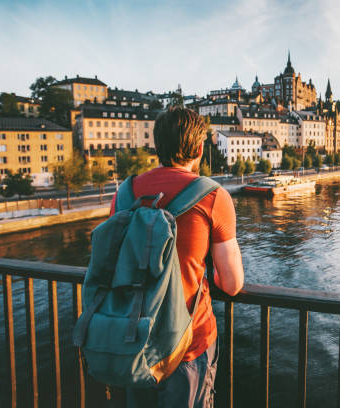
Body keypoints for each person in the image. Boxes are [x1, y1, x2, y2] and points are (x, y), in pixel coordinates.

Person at [110, 107, 244, 407]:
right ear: (199, 148)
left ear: (157, 146)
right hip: (187, 346)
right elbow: (233, 283)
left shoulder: (125, 193)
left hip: (133, 340)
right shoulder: (212, 196)